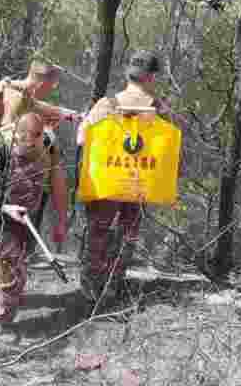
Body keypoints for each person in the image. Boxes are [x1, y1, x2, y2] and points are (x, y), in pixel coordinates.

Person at [76, 50, 174, 304]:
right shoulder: (159, 109)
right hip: (139, 182)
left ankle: (90, 286)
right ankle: (112, 286)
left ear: (127, 73)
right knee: (127, 232)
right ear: (152, 78)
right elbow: (169, 145)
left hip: (108, 182)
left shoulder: (107, 104)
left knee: (98, 231)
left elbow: (81, 138)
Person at [0, 112, 68, 326]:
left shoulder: (50, 144)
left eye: (34, 146)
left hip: (26, 220)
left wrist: (61, 222)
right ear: (17, 137)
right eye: (25, 148)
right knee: (10, 276)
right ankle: (1, 325)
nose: (30, 152)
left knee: (9, 267)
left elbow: (58, 183)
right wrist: (4, 208)